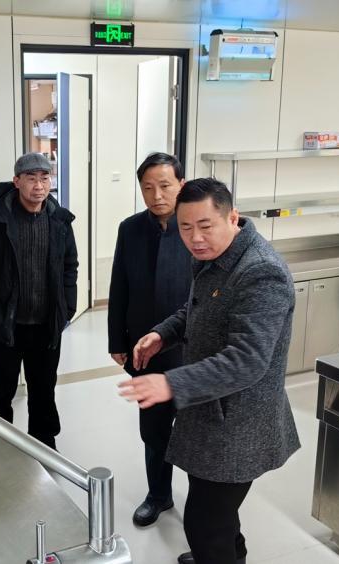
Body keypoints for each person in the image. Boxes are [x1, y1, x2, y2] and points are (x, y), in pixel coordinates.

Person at [119, 178, 300, 564]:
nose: (195, 238)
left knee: (204, 524)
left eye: (205, 225)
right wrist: (163, 334)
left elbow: (247, 359)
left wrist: (170, 383)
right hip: (209, 412)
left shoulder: (261, 272)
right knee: (218, 514)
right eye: (186, 227)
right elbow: (197, 308)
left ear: (232, 217)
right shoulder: (213, 255)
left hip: (239, 424)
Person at [108, 152, 191, 527]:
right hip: (145, 347)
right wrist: (117, 339)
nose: (157, 195)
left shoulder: (195, 228)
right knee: (153, 429)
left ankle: (203, 506)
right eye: (148, 187)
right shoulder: (130, 229)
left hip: (190, 349)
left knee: (196, 430)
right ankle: (158, 494)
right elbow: (119, 286)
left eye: (165, 186)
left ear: (181, 185)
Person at [0, 152, 78, 449]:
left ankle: (44, 444)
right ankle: (1, 444)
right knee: (2, 389)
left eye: (45, 178)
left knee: (43, 388)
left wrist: (67, 308)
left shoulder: (60, 220)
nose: (39, 186)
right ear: (16, 181)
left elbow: (70, 265)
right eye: (31, 178)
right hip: (6, 324)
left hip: (45, 323)